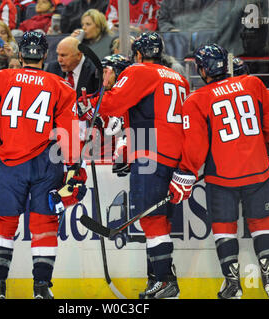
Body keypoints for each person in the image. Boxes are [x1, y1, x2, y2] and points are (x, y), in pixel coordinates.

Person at [0, 31, 86, 299]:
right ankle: (42, 288)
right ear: (45, 56)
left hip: (8, 162)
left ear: (20, 55)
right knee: (44, 225)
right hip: (46, 161)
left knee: (2, 224)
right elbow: (70, 131)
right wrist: (73, 167)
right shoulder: (61, 85)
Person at [79, 32, 190, 299]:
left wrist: (92, 102)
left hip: (151, 152)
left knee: (151, 220)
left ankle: (164, 281)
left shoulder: (139, 70)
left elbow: (113, 103)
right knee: (159, 221)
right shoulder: (180, 78)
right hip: (174, 156)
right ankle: (159, 280)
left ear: (138, 55)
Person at [170, 43, 269, 299]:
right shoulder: (253, 84)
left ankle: (233, 285)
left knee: (223, 225)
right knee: (261, 222)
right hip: (258, 170)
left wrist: (185, 171)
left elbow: (196, 147)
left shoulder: (197, 99)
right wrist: (251, 145)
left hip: (222, 176)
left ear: (201, 69)